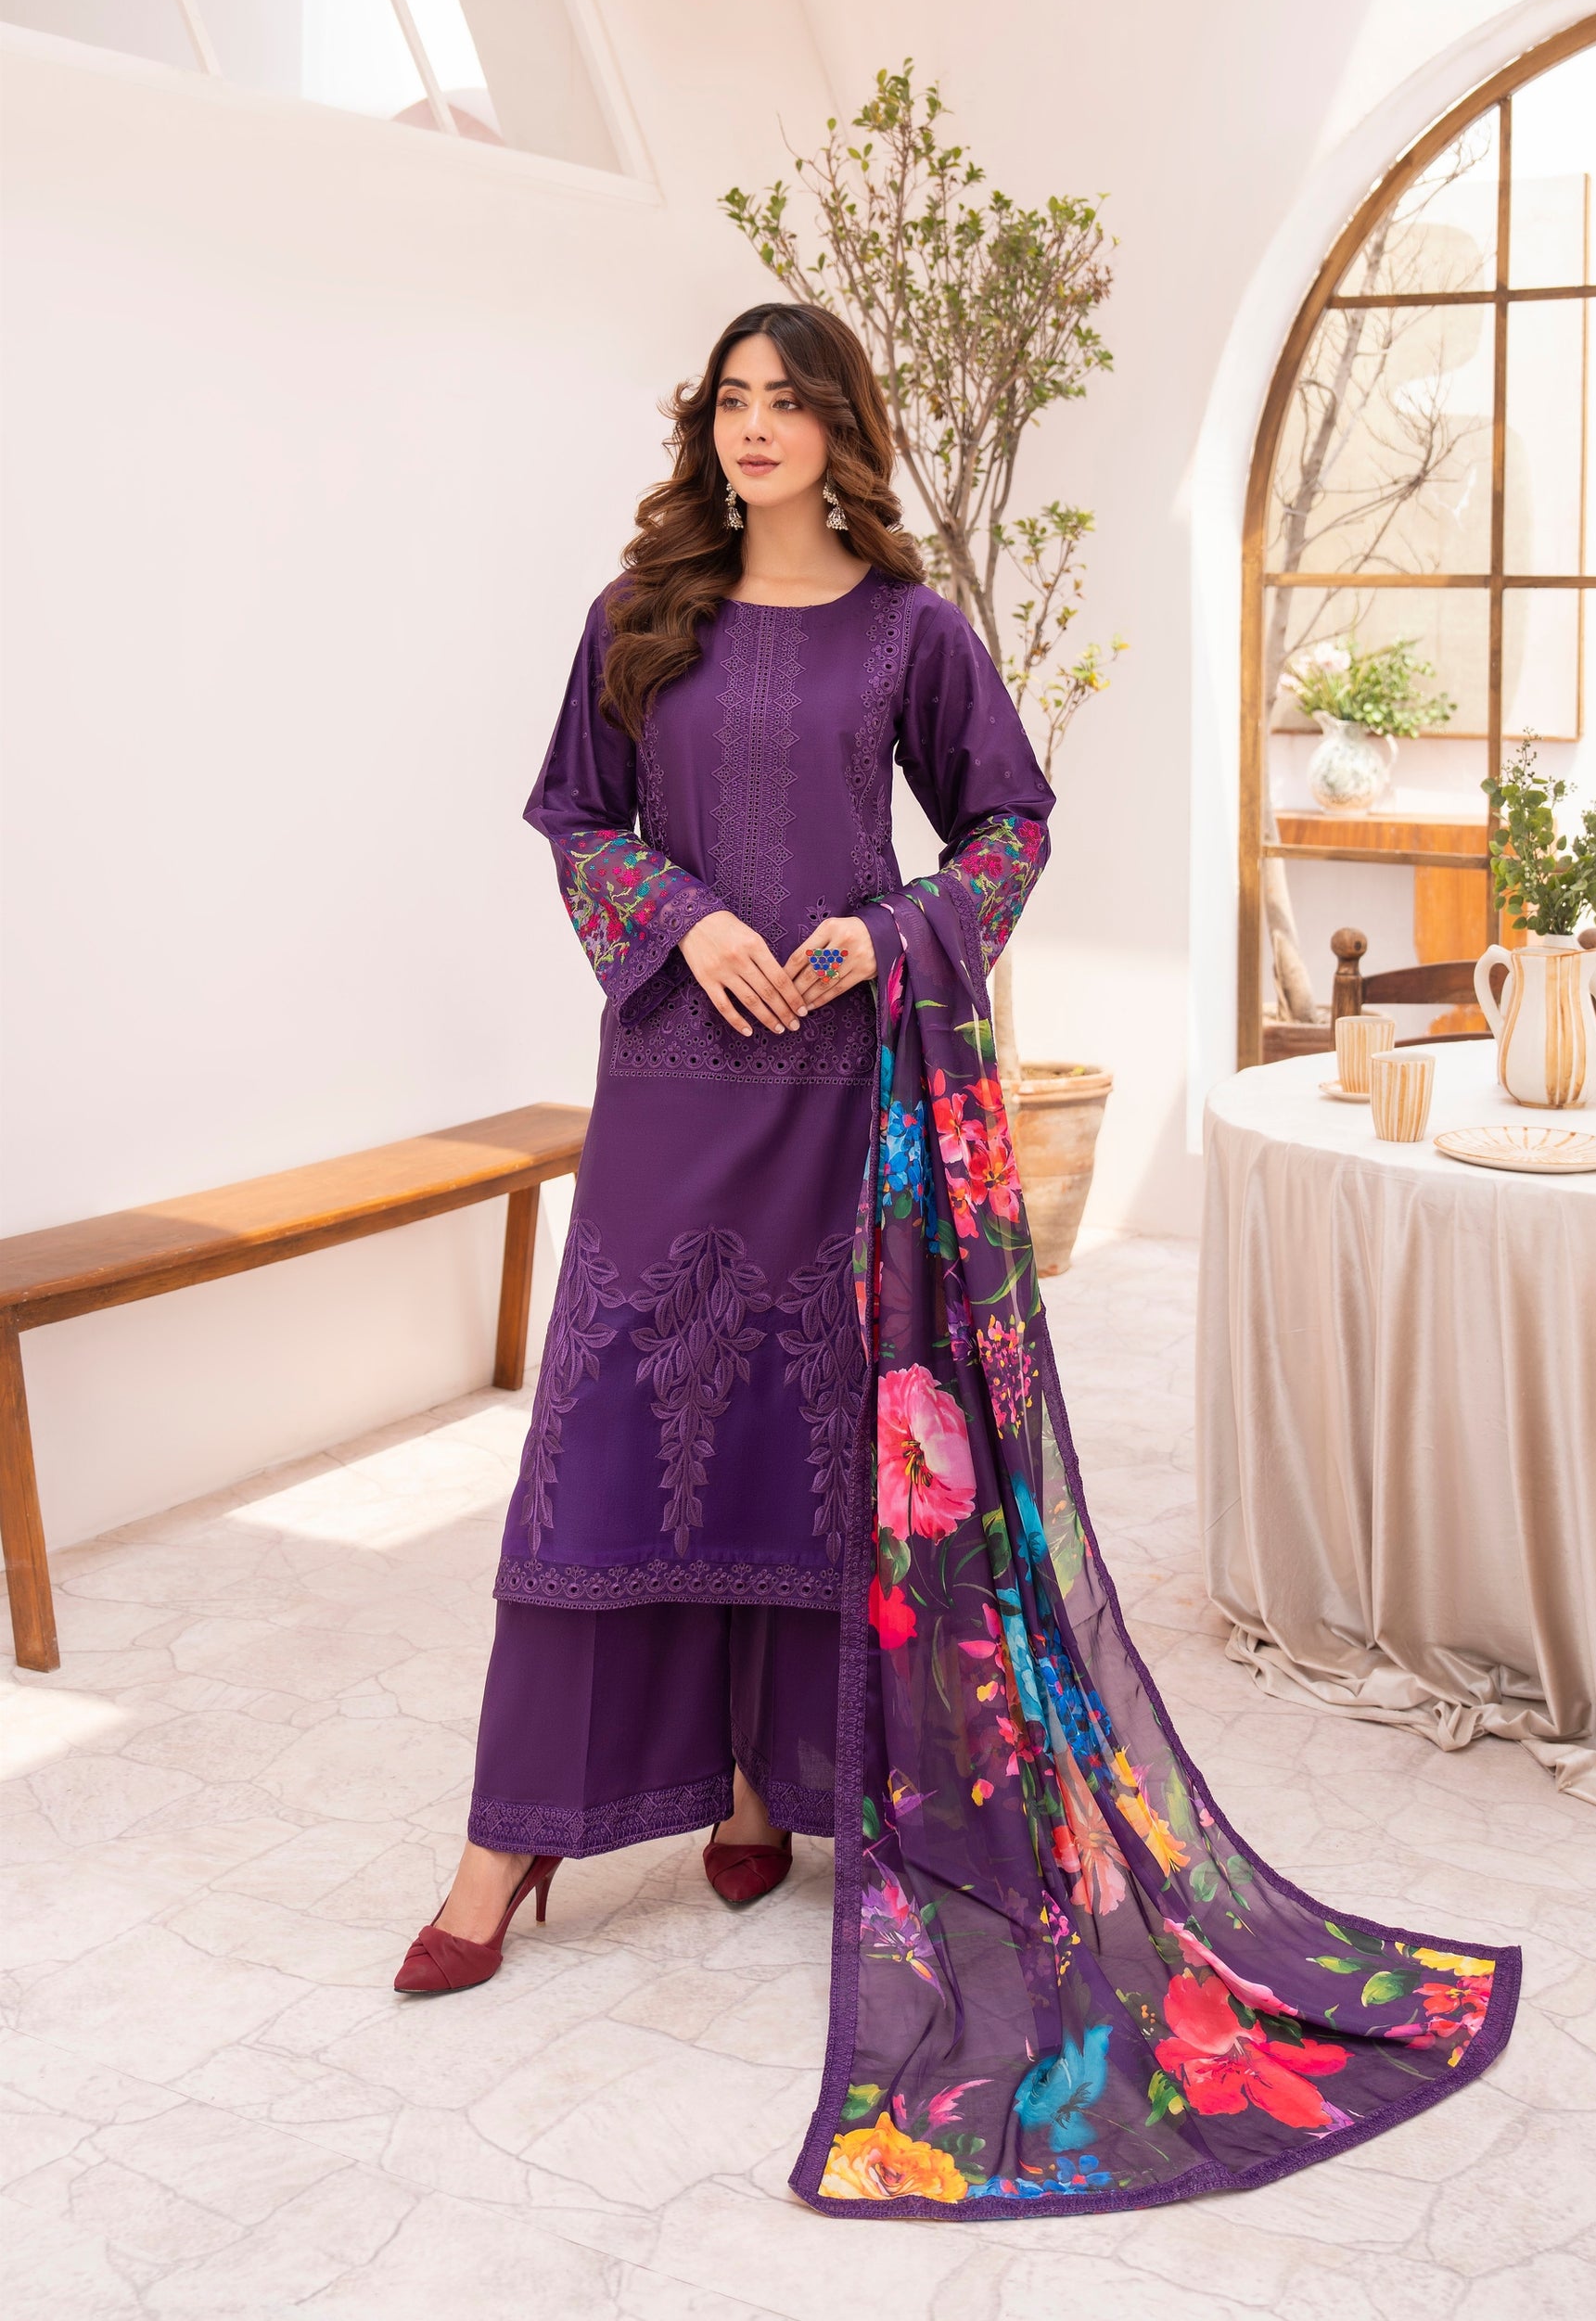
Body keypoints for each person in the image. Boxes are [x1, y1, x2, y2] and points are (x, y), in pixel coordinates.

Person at [394, 302, 1518, 2217]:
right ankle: (509, 1843)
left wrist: (880, 933)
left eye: (788, 401)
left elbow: (1009, 825)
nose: (755, 428)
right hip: (672, 1079)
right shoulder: (636, 614)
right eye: (731, 401)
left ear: (841, 429)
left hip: (849, 1088)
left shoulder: (910, 633)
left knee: (817, 1442)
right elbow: (572, 814)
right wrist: (676, 919)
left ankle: (763, 1787)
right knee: (614, 1438)